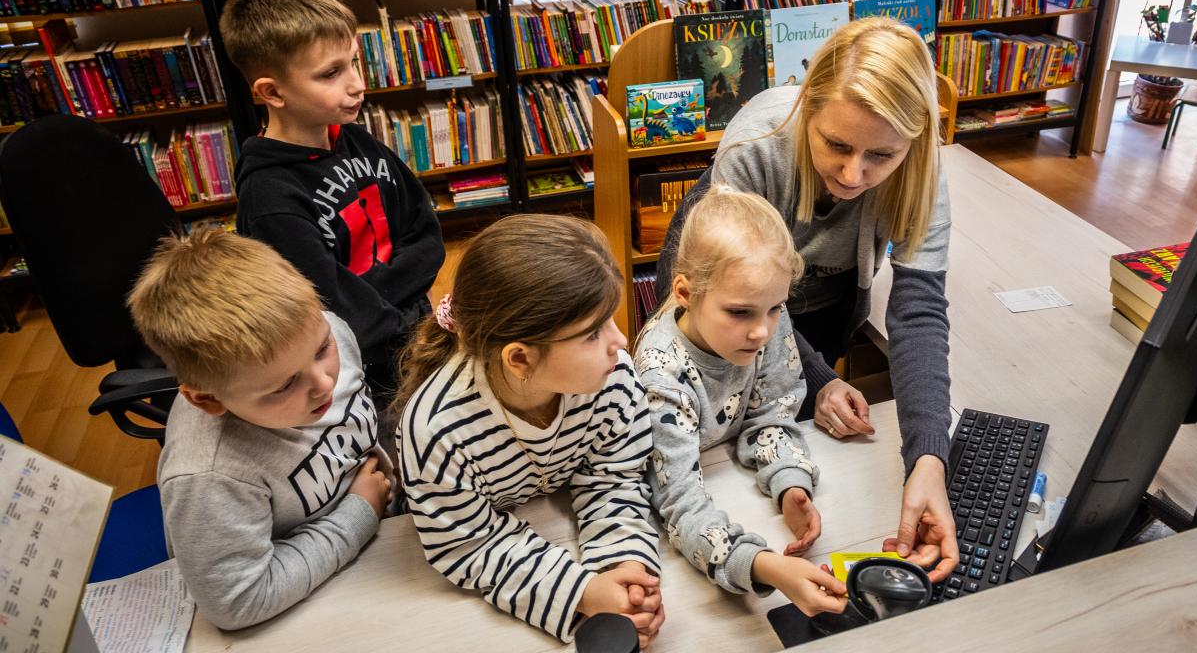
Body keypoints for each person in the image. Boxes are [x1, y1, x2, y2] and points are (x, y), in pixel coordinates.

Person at [657, 16, 958, 581]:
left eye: (881, 157)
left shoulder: (922, 169)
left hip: (817, 305)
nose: (852, 173)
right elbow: (737, 301)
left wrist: (927, 457)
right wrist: (819, 381)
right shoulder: (759, 142)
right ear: (808, 111)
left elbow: (918, 310)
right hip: (731, 290)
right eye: (837, 145)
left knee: (779, 428)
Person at [395, 215, 665, 645]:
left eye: (611, 320)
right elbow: (469, 546)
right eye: (593, 333)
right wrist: (580, 592)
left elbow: (614, 478)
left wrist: (623, 566)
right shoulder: (436, 431)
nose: (621, 341)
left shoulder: (612, 379)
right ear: (519, 359)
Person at [128, 226, 394, 630]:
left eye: (322, 349)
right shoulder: (209, 475)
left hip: (379, 531)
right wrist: (359, 515)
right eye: (285, 385)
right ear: (209, 400)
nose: (324, 382)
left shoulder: (321, 331)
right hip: (313, 590)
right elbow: (237, 602)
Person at [219, 0, 444, 425]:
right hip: (360, 375)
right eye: (330, 74)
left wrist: (412, 319)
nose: (357, 85)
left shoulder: (354, 139)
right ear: (273, 93)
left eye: (354, 64)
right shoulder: (270, 201)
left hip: (416, 334)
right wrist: (404, 318)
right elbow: (329, 307)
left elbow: (426, 232)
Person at [636, 186, 848, 616]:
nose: (762, 332)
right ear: (684, 293)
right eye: (739, 313)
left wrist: (789, 481)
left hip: (727, 478)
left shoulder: (763, 312)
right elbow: (677, 499)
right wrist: (759, 565)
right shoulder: (660, 374)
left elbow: (773, 410)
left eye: (775, 308)